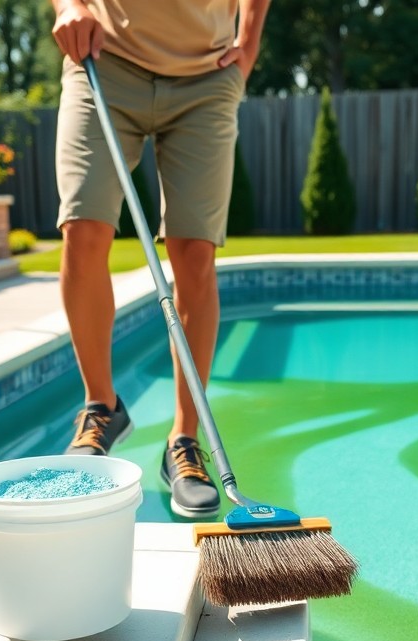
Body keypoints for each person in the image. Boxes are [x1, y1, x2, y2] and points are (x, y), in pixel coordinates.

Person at [49, 0, 270, 519]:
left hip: (207, 76)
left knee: (194, 255)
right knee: (82, 231)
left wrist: (249, 40)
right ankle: (101, 407)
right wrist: (70, 5)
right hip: (104, 60)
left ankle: (184, 443)